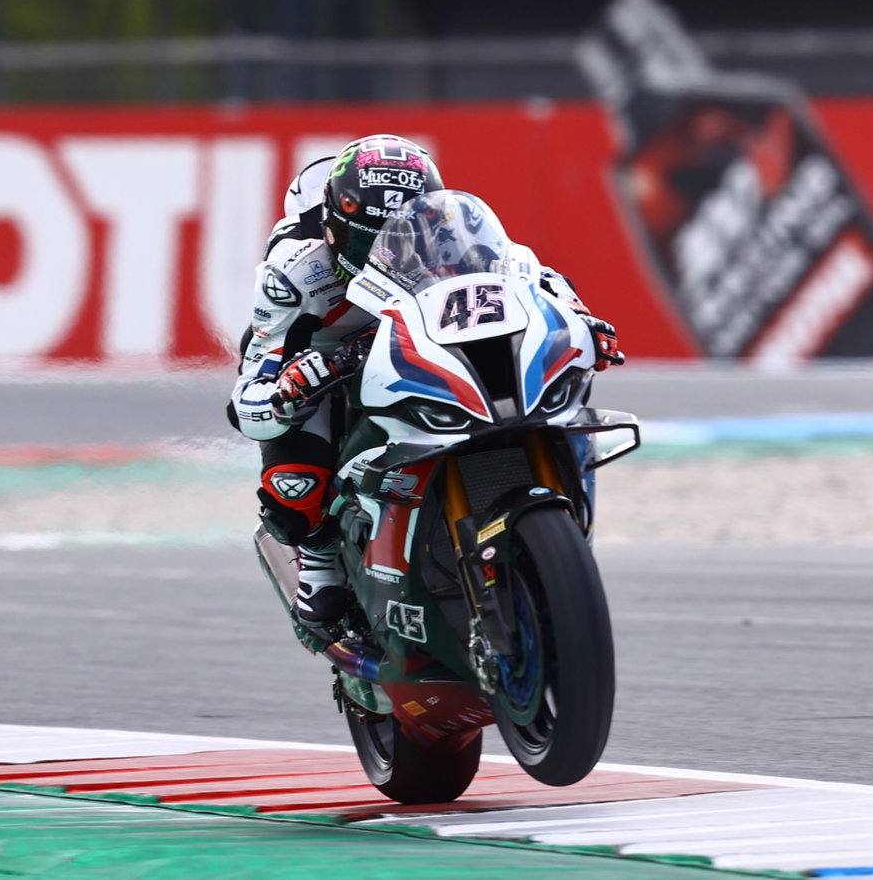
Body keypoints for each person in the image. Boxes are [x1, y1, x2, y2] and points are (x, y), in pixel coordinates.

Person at [228, 134, 624, 625]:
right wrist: (287, 389)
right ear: (334, 228)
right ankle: (321, 564)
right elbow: (249, 399)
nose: (382, 246)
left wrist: (584, 321)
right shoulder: (292, 273)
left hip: (422, 335)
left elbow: (536, 277)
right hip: (326, 359)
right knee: (295, 486)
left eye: (396, 232)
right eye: (368, 234)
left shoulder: (449, 232)